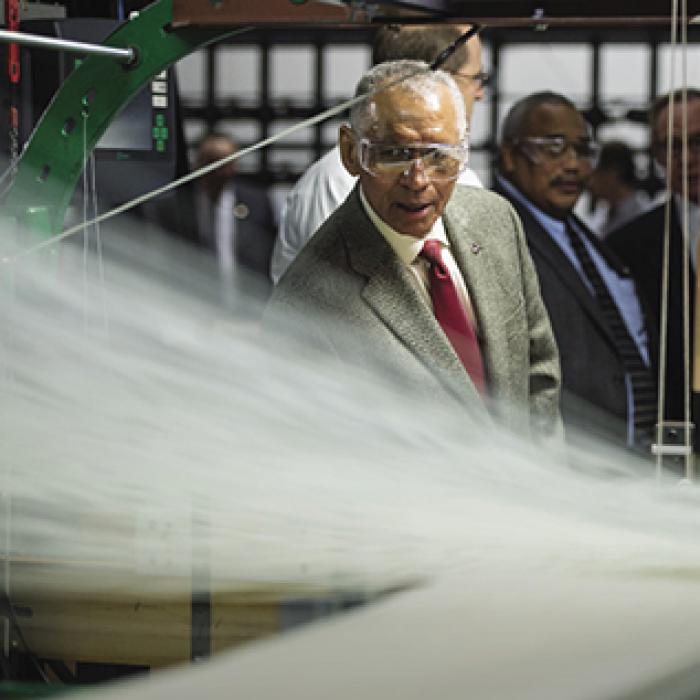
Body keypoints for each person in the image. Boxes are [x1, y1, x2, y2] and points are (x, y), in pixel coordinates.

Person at [267, 61, 562, 442]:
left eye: (440, 155)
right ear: (351, 152)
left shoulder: (495, 221)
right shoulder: (308, 303)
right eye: (394, 154)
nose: (419, 181)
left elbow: (539, 377)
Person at [495, 91, 655, 450]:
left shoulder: (582, 237)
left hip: (632, 461)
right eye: (553, 147)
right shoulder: (496, 234)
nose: (573, 165)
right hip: (565, 466)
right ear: (509, 155)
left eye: (583, 151)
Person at [269, 24, 488, 284]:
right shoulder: (340, 181)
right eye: (475, 77)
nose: (480, 93)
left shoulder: (468, 182)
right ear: (429, 80)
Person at [606, 89, 700, 427]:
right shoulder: (624, 247)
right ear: (656, 155)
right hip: (672, 437)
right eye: (672, 146)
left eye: (698, 142)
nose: (686, 159)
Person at [146, 132, 277, 298]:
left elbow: (267, 252)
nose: (220, 170)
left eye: (227, 161)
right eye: (213, 160)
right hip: (192, 301)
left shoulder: (257, 202)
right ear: (198, 162)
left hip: (246, 302)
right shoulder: (178, 204)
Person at [585, 140, 651, 238]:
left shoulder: (642, 216)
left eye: (596, 173)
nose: (590, 182)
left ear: (614, 172)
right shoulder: (603, 214)